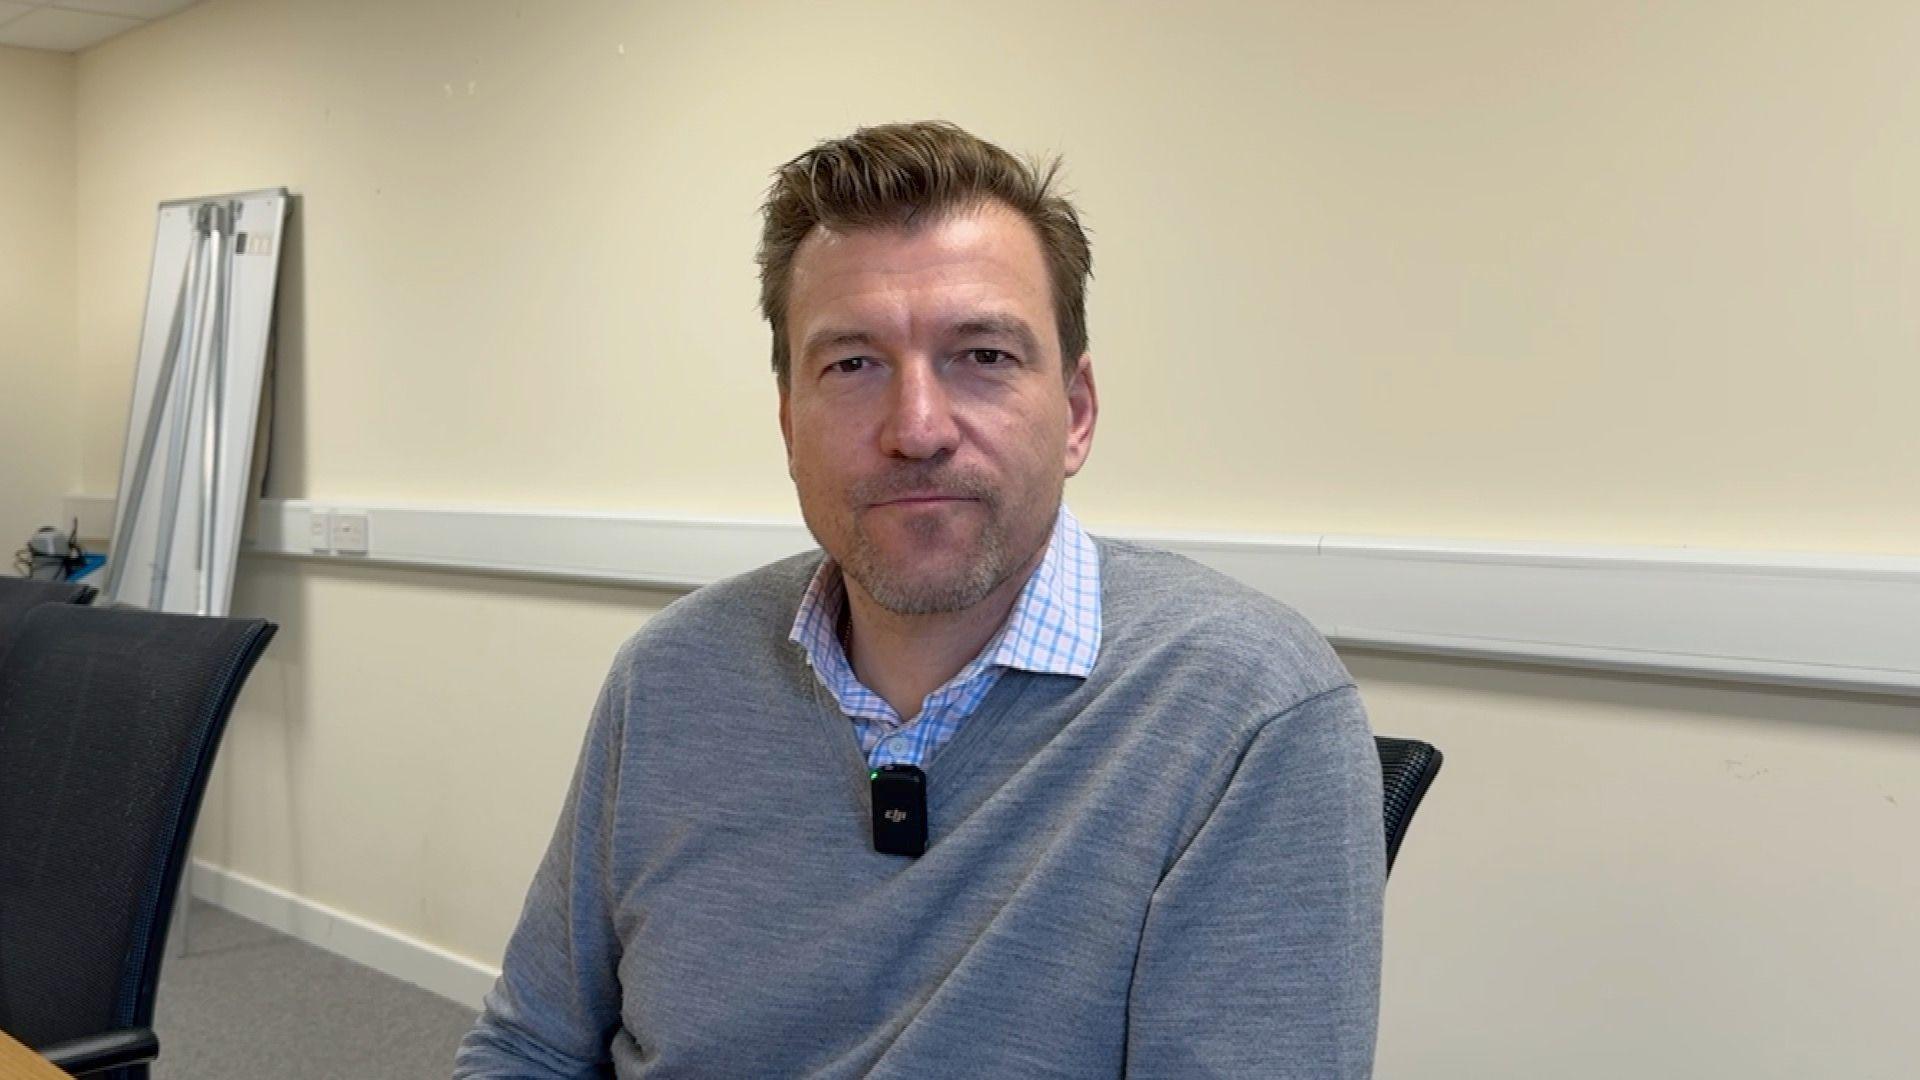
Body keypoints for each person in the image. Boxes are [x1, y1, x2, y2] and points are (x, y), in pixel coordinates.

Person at [456, 121, 1384, 1078]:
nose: (916, 428)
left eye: (981, 354)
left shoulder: (1245, 707)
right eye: (852, 364)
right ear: (788, 426)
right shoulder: (669, 674)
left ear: (1075, 413)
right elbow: (531, 1045)